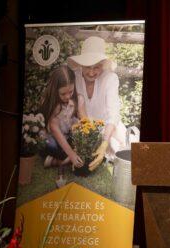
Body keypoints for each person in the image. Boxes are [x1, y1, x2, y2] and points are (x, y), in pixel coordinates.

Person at [67, 36, 126, 171]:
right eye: (87, 67)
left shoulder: (110, 78)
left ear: (102, 65)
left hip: (106, 128)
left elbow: (114, 114)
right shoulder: (74, 77)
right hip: (82, 126)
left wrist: (104, 143)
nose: (92, 72)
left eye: (97, 67)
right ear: (81, 64)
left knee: (119, 149)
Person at [41, 65, 87, 170]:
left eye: (70, 91)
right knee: (49, 144)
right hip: (54, 138)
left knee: (83, 149)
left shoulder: (78, 100)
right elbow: (55, 130)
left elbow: (85, 123)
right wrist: (71, 154)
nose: (67, 96)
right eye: (63, 93)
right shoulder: (52, 104)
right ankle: (62, 160)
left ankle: (56, 161)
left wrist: (79, 147)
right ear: (54, 89)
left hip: (69, 138)